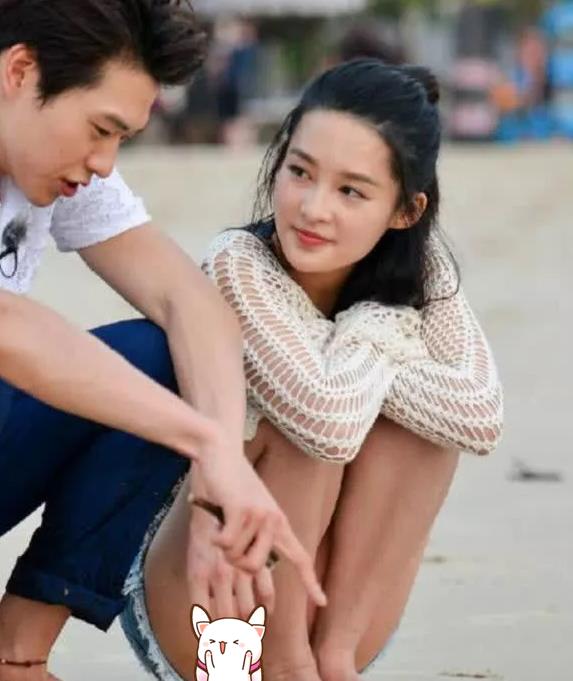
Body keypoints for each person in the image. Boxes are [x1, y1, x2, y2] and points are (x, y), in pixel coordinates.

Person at [118, 58, 504, 681]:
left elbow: (480, 415)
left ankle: (332, 658)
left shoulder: (424, 268)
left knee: (429, 432)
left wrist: (360, 338)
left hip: (342, 622)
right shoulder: (239, 264)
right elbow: (325, 419)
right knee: (306, 424)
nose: (313, 208)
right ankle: (286, 661)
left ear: (405, 211)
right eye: (299, 172)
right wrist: (377, 329)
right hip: (211, 620)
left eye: (351, 191)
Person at [0, 1, 324, 679]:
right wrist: (201, 439)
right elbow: (11, 331)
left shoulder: (57, 161)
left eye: (121, 138)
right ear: (20, 71)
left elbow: (190, 303)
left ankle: (16, 653)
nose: (102, 162)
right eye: (100, 129)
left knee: (161, 361)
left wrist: (217, 476)